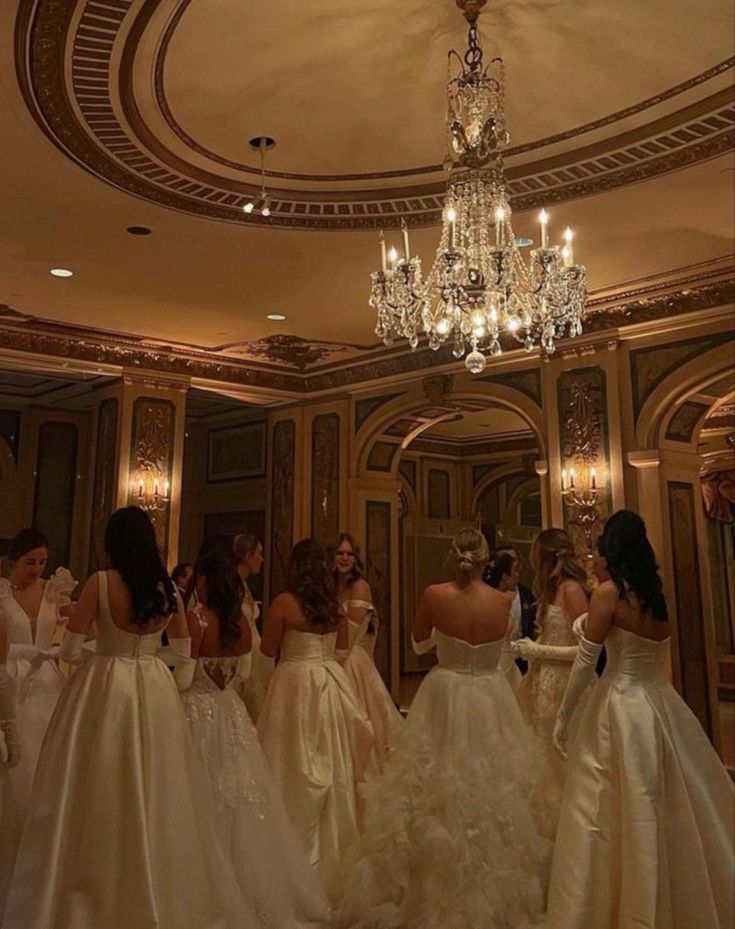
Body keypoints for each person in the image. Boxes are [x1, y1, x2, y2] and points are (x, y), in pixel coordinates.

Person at [3, 507, 256, 929]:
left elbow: (68, 650)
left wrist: (105, 653)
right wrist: (145, 659)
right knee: (155, 782)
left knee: (93, 781)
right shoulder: (166, 590)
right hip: (153, 688)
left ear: (112, 543)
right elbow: (181, 653)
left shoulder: (101, 583)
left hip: (103, 685)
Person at [341, 528, 548, 929]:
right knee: (493, 787)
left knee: (433, 786)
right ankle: (495, 887)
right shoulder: (505, 600)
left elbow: (419, 644)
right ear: (487, 561)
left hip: (445, 690)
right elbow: (504, 643)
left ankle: (429, 883)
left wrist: (445, 633)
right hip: (491, 695)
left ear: (453, 557)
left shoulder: (435, 595)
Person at [547, 510, 734, 929]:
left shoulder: (609, 594)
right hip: (661, 702)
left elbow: (585, 662)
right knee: (668, 802)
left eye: (598, 547)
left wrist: (564, 712)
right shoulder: (653, 593)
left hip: (620, 704)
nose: (592, 555)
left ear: (612, 551)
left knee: (607, 807)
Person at [181, 535, 329, 928]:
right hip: (230, 711)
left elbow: (183, 674)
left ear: (204, 582)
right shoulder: (243, 628)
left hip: (197, 709)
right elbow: (245, 673)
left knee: (198, 796)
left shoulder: (196, 621)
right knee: (240, 799)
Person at [257, 539, 375, 904]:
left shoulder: (284, 603)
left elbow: (266, 650)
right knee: (332, 763)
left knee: (289, 762)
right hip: (328, 683)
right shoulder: (333, 607)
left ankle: (286, 854)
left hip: (293, 684)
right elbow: (342, 650)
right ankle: (334, 856)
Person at [511, 528, 590, 835]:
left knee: (561, 760)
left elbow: (588, 651)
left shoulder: (572, 590)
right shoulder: (552, 590)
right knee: (540, 757)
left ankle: (567, 831)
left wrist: (538, 650)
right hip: (543, 681)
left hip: (567, 685)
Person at [0, 529, 75, 830]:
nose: (37, 569)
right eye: (30, 562)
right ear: (12, 562)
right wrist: (23, 651)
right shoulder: (2, 593)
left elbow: (81, 623)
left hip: (47, 679)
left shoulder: (54, 591)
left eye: (43, 562)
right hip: (12, 674)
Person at [330, 532, 401, 767]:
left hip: (352, 662)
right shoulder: (330, 586)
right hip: (333, 657)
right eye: (340, 553)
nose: (344, 558)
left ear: (356, 559)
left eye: (349, 554)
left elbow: (347, 636)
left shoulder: (361, 587)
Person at [233, 532, 272, 721]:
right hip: (241, 652)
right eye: (259, 553)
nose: (262, 559)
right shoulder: (232, 585)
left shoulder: (244, 585)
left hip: (255, 653)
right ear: (248, 555)